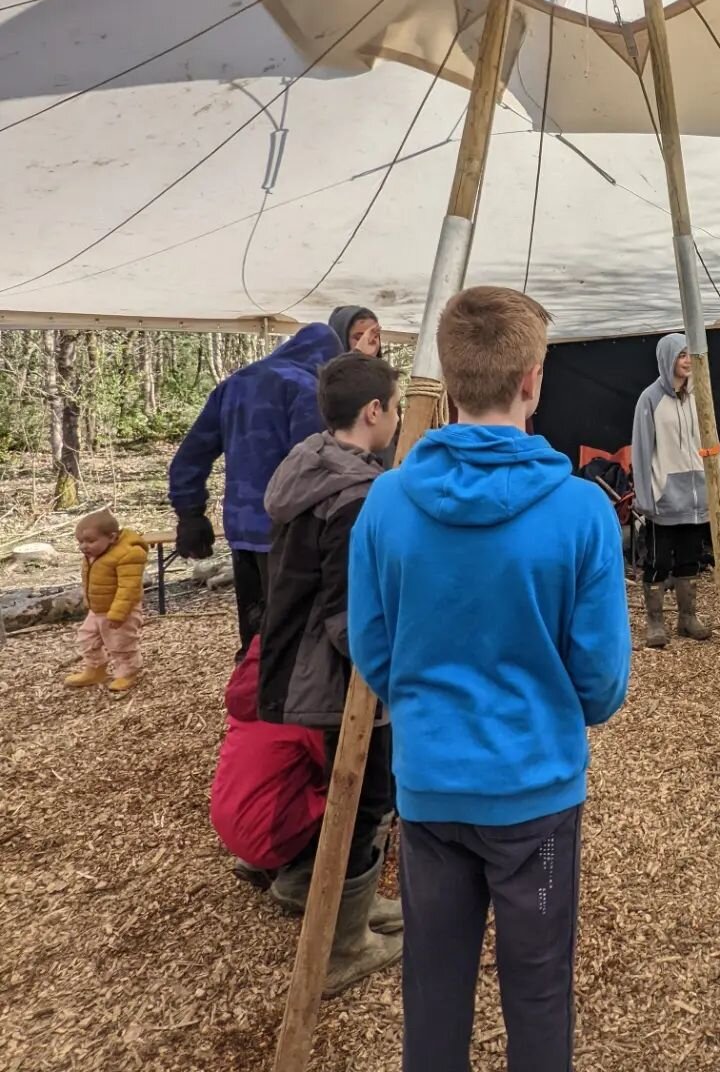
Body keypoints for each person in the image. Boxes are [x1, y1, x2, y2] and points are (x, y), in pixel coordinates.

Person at [349, 286, 631, 1072]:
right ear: (533, 380)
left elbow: (372, 647)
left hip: (431, 786)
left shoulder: (388, 499)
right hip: (536, 795)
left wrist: (425, 701)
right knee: (537, 991)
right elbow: (603, 682)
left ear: (446, 375)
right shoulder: (581, 512)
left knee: (432, 988)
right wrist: (543, 704)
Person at [259, 351, 404, 993]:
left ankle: (317, 888)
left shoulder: (311, 464)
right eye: (395, 408)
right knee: (367, 792)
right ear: (373, 412)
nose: (399, 419)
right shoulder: (354, 496)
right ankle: (343, 943)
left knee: (350, 787)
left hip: (300, 660)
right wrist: (395, 669)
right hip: (337, 671)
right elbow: (350, 615)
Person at [168, 323, 342, 656]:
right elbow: (311, 468)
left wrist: (190, 513)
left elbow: (190, 456)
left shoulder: (233, 385)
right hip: (289, 534)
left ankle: (248, 699)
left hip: (242, 530)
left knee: (255, 630)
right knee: (292, 637)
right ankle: (279, 703)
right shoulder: (307, 388)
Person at [210, 636, 328, 888]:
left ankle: (258, 861)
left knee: (279, 773)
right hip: (268, 837)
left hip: (230, 824)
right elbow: (337, 766)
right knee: (358, 793)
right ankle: (298, 879)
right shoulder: (302, 705)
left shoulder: (252, 696)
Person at [630, 333, 712, 650]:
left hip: (695, 494)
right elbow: (641, 449)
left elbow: (707, 441)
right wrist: (646, 496)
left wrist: (711, 483)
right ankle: (655, 623)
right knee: (658, 560)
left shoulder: (698, 395)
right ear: (667, 359)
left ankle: (687, 617)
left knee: (691, 558)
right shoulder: (650, 399)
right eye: (681, 355)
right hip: (663, 495)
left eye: (690, 354)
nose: (688, 360)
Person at [64, 510, 148, 694]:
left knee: (121, 643)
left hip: (122, 610)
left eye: (90, 541)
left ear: (112, 537)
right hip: (98, 609)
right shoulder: (95, 554)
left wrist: (119, 613)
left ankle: (128, 671)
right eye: (80, 542)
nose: (83, 547)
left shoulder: (128, 554)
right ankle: (95, 669)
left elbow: (129, 588)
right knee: (87, 638)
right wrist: (89, 601)